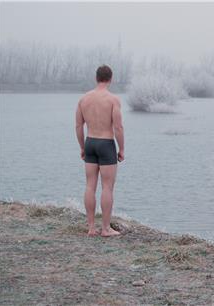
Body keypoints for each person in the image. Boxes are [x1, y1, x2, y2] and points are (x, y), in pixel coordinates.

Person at [75, 65, 125, 237]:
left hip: (90, 142)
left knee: (90, 185)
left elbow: (78, 126)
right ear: (110, 79)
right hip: (106, 144)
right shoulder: (112, 100)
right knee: (107, 187)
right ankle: (105, 229)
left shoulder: (84, 99)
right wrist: (122, 149)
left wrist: (82, 147)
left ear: (96, 78)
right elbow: (118, 127)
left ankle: (91, 228)